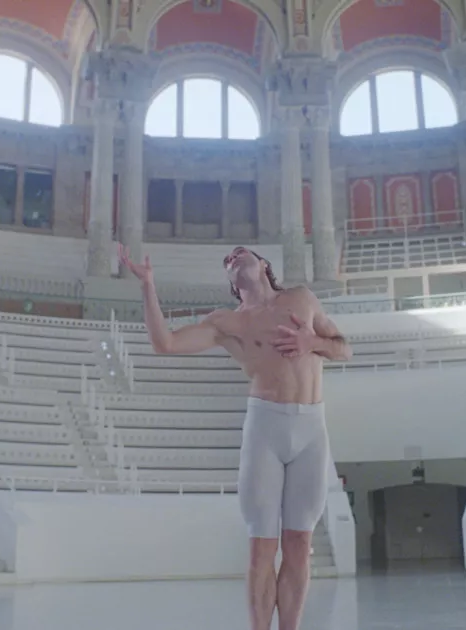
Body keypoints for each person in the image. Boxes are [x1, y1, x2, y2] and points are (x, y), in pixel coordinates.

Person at [118, 243, 351, 630]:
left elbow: (345, 349)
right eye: (227, 260)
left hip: (311, 426)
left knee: (298, 546)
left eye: (241, 253)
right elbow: (166, 343)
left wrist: (314, 343)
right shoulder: (229, 323)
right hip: (266, 428)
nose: (233, 258)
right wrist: (148, 286)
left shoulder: (301, 299)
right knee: (262, 547)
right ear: (230, 280)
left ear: (263, 265)